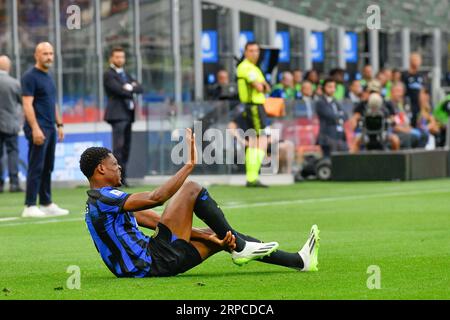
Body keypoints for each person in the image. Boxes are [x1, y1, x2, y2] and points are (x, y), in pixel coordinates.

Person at [79, 131, 320, 278]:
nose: (119, 167)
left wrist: (210, 238)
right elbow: (156, 198)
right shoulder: (104, 198)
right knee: (191, 188)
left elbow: (154, 220)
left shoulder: (102, 203)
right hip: (152, 260)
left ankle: (298, 261)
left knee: (221, 237)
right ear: (101, 168)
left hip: (157, 264)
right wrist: (189, 164)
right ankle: (242, 248)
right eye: (114, 164)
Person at [21, 42, 69, 217]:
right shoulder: (29, 76)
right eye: (45, 54)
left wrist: (60, 124)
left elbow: (52, 102)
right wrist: (35, 128)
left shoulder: (48, 77)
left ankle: (46, 202)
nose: (49, 57)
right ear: (36, 55)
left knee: (48, 166)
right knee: (36, 166)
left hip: (50, 128)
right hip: (38, 128)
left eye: (51, 53)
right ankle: (30, 205)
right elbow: (27, 104)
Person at [103, 46, 143, 187]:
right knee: (118, 148)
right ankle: (115, 179)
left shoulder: (125, 74)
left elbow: (140, 88)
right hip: (117, 115)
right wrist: (128, 88)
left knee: (126, 148)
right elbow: (118, 90)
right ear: (111, 58)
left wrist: (130, 87)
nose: (120, 59)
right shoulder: (109, 74)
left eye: (122, 57)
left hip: (128, 114)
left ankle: (123, 178)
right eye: (117, 57)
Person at [236, 41, 271, 188]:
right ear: (245, 52)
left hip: (257, 106)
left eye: (256, 50)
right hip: (253, 106)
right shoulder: (245, 67)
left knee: (257, 140)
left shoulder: (254, 68)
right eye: (251, 50)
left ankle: (252, 177)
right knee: (259, 140)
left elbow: (267, 88)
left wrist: (262, 85)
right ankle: (252, 177)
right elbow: (259, 86)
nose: (254, 53)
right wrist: (261, 85)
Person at [0, 56, 23, 193]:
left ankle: (0, 184)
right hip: (10, 124)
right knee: (12, 152)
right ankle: (14, 183)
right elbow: (23, 102)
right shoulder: (14, 83)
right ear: (8, 67)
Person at [386, 82, 428, 149]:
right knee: (408, 137)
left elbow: (407, 121)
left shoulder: (402, 105)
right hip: (394, 132)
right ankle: (407, 158)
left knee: (424, 135)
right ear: (391, 92)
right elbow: (392, 125)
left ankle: (417, 157)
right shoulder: (387, 104)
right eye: (397, 91)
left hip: (405, 129)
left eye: (401, 91)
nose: (399, 94)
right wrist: (405, 129)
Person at [315, 78, 349, 157]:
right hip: (327, 137)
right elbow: (330, 115)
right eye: (329, 87)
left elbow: (346, 115)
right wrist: (339, 115)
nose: (332, 89)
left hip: (340, 137)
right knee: (329, 161)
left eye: (334, 87)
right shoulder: (320, 102)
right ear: (324, 88)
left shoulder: (336, 101)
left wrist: (339, 116)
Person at [401, 52, 429, 128]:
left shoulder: (422, 76)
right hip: (408, 105)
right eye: (415, 60)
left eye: (419, 60)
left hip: (419, 106)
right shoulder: (404, 75)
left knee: (420, 126)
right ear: (410, 61)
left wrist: (425, 106)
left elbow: (424, 92)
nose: (417, 62)